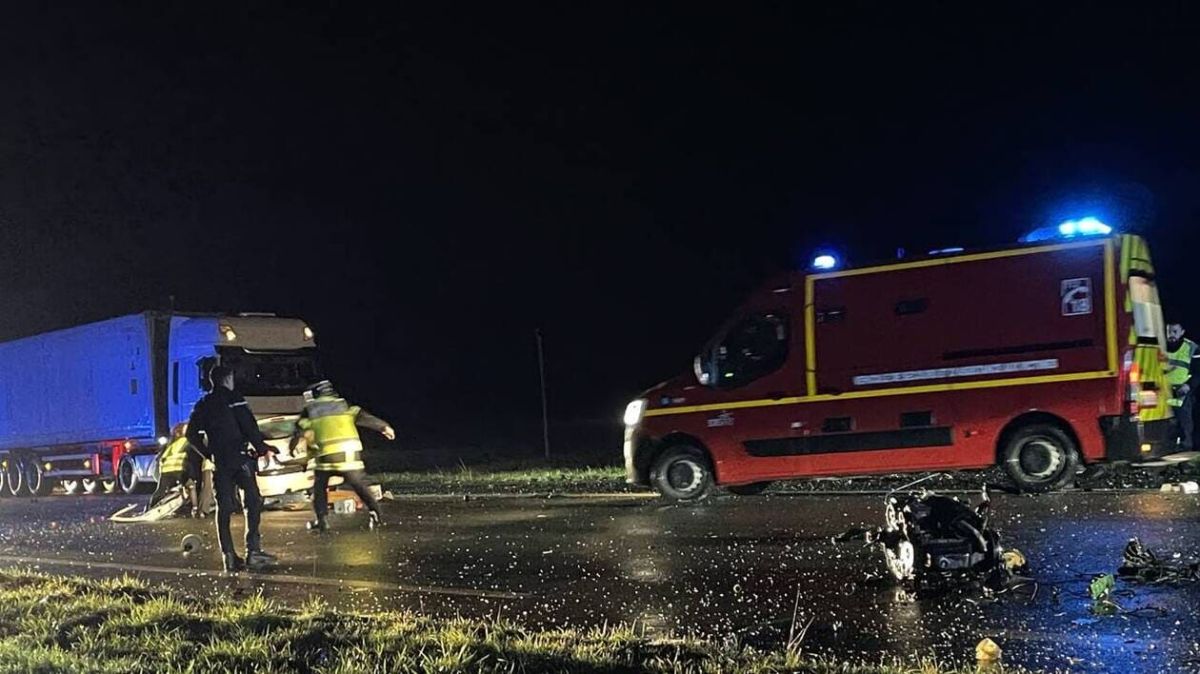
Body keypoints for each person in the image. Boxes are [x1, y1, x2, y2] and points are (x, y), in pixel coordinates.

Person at [186, 365, 279, 572]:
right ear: (228, 379)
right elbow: (248, 426)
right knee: (252, 501)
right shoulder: (234, 398)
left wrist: (208, 453)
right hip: (240, 458)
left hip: (220, 462)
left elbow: (191, 435)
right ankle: (253, 551)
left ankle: (228, 555)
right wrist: (262, 448)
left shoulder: (203, 404)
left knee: (224, 508)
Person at [292, 380, 395, 531]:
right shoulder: (343, 404)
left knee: (320, 487)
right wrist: (383, 427)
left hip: (326, 456)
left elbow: (302, 431)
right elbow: (363, 416)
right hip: (349, 454)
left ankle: (322, 520)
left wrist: (296, 448)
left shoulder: (311, 409)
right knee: (359, 485)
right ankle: (375, 513)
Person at [147, 423, 198, 513]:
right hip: (178, 470)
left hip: (166, 471)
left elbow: (161, 458)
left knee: (160, 491)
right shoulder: (186, 441)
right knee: (191, 486)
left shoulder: (171, 443)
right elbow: (194, 453)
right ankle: (195, 509)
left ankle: (149, 508)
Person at [1166, 322, 1199, 451]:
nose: (1171, 335)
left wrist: (1188, 385)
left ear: (1182, 332)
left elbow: (1198, 372)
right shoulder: (1160, 346)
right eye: (1169, 331)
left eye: (1175, 331)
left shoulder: (1192, 348)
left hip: (1183, 393)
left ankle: (1186, 448)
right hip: (1164, 392)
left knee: (1185, 424)